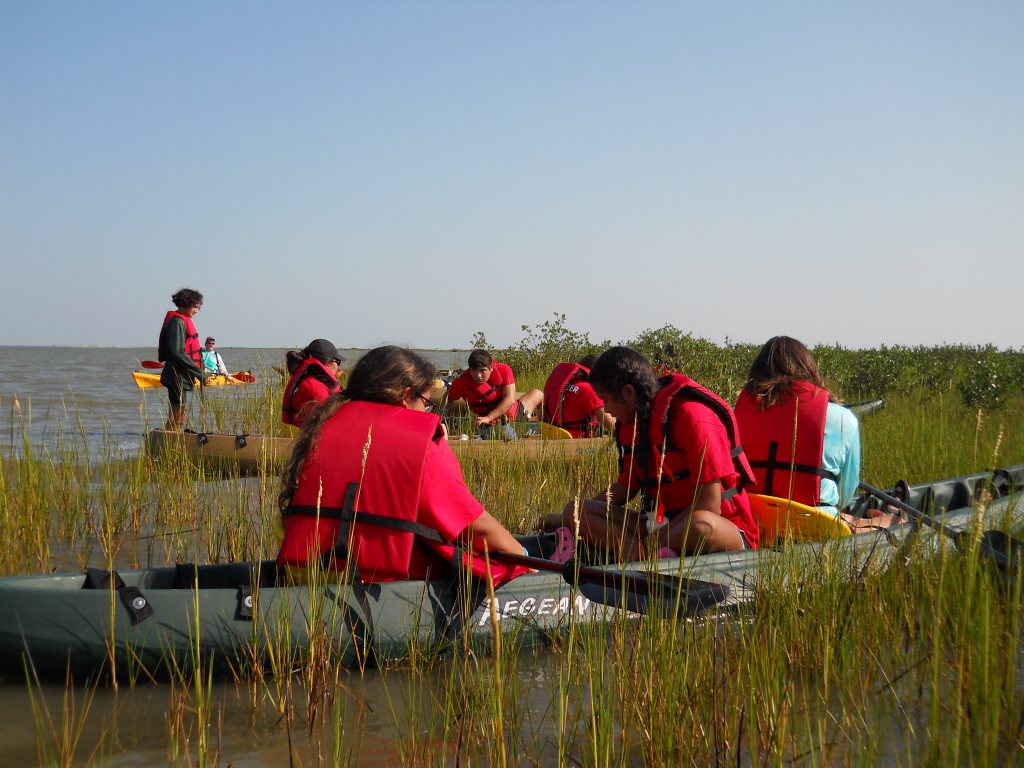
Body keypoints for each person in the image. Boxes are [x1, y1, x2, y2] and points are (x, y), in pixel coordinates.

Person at [276, 346, 531, 585]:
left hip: (306, 575)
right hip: (381, 586)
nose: (428, 412)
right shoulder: (418, 447)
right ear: (406, 396)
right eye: (427, 403)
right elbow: (476, 527)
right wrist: (523, 555)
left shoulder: (321, 428)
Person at [542, 346, 760, 561]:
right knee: (575, 509)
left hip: (721, 527)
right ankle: (641, 554)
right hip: (659, 525)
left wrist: (650, 543)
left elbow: (710, 505)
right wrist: (572, 519)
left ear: (628, 392)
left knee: (700, 523)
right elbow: (625, 489)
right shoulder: (632, 422)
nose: (605, 410)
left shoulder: (692, 417)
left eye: (605, 400)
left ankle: (641, 554)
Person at [733, 336, 900, 529]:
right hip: (815, 522)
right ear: (809, 370)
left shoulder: (735, 413)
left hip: (751, 518)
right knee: (889, 522)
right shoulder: (843, 418)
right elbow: (846, 492)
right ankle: (894, 516)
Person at [157, 288, 207, 431]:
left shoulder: (182, 321)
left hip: (181, 375)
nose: (197, 311)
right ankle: (168, 443)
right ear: (185, 304)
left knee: (179, 413)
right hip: (175, 375)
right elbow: (177, 352)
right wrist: (200, 373)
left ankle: (172, 441)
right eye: (195, 307)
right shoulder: (177, 322)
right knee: (178, 414)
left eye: (198, 307)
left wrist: (199, 373)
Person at [445, 350, 524, 439]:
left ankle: (533, 418)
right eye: (474, 371)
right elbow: (449, 397)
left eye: (483, 371)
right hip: (484, 419)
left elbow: (510, 400)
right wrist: (445, 412)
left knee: (537, 394)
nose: (478, 375)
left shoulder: (503, 370)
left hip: (510, 414)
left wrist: (489, 417)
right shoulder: (461, 382)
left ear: (491, 368)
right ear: (469, 369)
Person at [541, 354, 615, 438]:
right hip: (577, 441)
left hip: (552, 436)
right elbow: (613, 426)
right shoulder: (590, 390)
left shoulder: (562, 387)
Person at [281, 339, 344, 428]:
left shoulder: (308, 381)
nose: (338, 367)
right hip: (307, 438)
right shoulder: (313, 388)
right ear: (327, 363)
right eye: (338, 362)